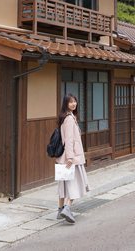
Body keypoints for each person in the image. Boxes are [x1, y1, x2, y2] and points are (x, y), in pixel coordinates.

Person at [56, 94, 89, 223]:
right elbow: (69, 140)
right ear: (66, 104)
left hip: (63, 157)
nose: (74, 104)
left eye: (75, 101)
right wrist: (70, 157)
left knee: (63, 185)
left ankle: (60, 210)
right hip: (71, 157)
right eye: (70, 102)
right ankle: (67, 208)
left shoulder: (65, 117)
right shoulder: (69, 119)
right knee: (75, 184)